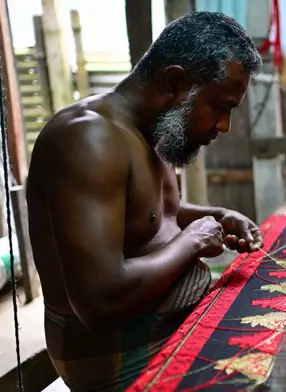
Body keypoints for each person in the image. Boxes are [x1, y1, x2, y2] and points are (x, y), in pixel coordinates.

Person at [26, 12, 263, 392]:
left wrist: (217, 215)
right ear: (174, 82)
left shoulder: (152, 128)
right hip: (116, 354)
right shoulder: (89, 140)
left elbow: (149, 216)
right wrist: (194, 242)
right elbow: (99, 301)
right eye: (221, 106)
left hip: (159, 324)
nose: (224, 126)